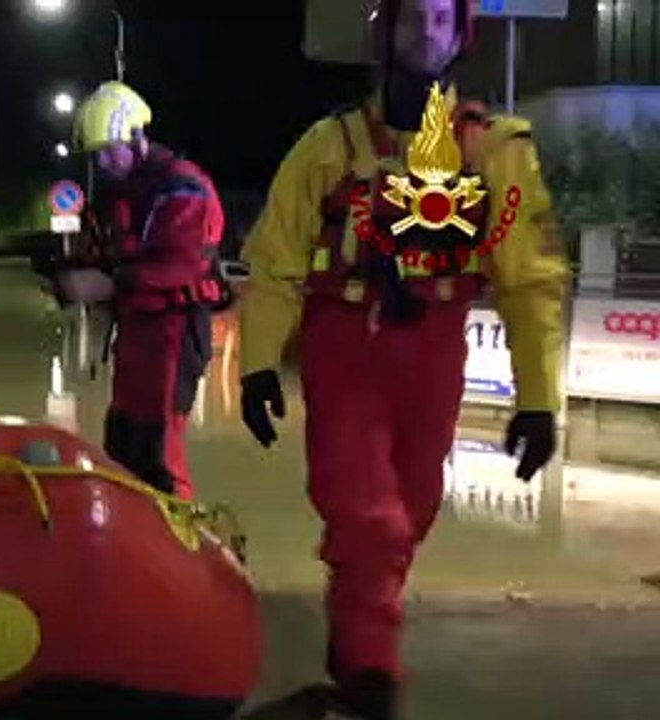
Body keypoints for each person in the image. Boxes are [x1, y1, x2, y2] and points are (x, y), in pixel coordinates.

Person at [238, 0, 567, 717]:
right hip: (343, 346)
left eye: (441, 18)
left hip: (435, 351)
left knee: (408, 516)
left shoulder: (496, 150)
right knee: (369, 519)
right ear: (382, 32)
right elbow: (276, 260)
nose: (425, 31)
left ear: (459, 37)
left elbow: (531, 280)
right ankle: (370, 677)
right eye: (411, 16)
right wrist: (259, 359)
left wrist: (538, 397)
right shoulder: (326, 147)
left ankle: (355, 640)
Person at [57, 81, 228, 501]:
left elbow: (178, 265)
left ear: (136, 136)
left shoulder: (183, 187)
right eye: (95, 154)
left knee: (160, 455)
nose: (102, 161)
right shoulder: (124, 191)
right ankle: (126, 542)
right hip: (136, 334)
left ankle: (181, 553)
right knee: (123, 447)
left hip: (174, 331)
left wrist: (107, 283)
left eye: (108, 149)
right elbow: (110, 253)